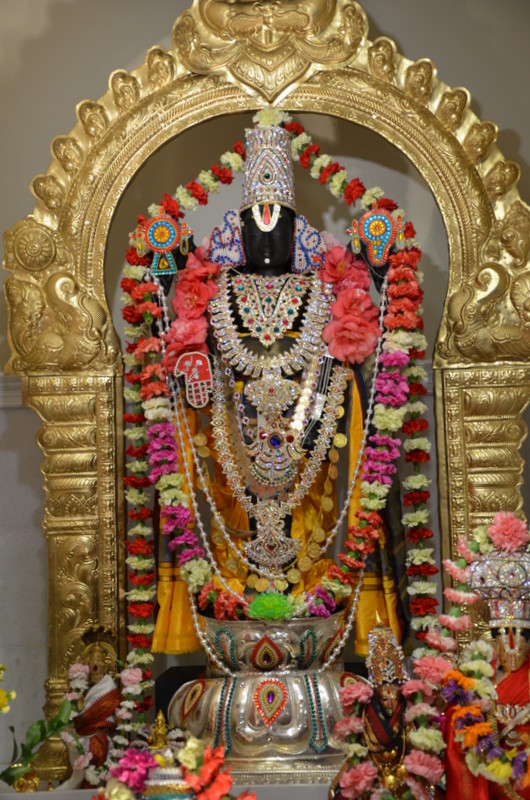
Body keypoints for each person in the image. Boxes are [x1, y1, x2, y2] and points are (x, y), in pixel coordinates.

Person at [150, 121, 407, 656]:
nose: (267, 237)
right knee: (233, 526)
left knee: (314, 528)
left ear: (298, 230)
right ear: (237, 229)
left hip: (312, 430)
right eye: (255, 224)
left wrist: (381, 269)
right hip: (232, 436)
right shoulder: (215, 289)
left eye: (279, 223)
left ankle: (316, 623)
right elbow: (178, 338)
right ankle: (236, 618)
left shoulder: (325, 286)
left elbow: (362, 351)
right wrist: (169, 288)